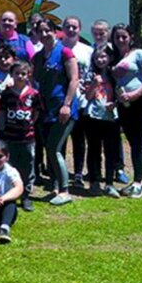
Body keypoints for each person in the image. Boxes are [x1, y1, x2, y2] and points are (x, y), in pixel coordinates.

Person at [110, 23, 142, 199]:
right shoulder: (114, 56)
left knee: (139, 143)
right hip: (125, 106)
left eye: (124, 36)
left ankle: (138, 182)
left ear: (131, 37)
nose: (121, 40)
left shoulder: (140, 54)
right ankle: (137, 180)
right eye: (117, 37)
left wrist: (136, 94)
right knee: (132, 143)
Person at [31, 18, 79, 206]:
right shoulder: (38, 57)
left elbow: (74, 80)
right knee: (51, 149)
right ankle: (56, 186)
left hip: (63, 109)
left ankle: (65, 190)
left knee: (53, 148)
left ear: (54, 31)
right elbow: (35, 82)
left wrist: (66, 105)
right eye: (40, 31)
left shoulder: (65, 53)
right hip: (45, 110)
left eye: (47, 31)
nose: (43, 35)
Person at [0, 60, 40, 211]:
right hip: (9, 137)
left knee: (27, 166)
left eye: (23, 74)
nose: (20, 77)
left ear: (28, 75)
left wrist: (29, 125)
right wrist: (2, 132)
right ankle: (10, 194)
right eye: (17, 74)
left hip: (27, 138)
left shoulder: (34, 94)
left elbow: (36, 113)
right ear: (11, 75)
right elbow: (1, 113)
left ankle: (26, 195)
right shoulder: (6, 94)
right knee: (10, 166)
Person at [83, 45, 122, 198]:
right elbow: (86, 97)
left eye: (104, 57)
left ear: (110, 58)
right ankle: (94, 181)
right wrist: (94, 84)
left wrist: (115, 103)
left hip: (111, 117)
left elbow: (120, 93)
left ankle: (110, 183)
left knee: (110, 150)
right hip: (92, 116)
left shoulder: (114, 75)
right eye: (98, 57)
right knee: (94, 150)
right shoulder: (90, 74)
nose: (101, 60)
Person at [60, 16, 93, 187]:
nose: (71, 30)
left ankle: (78, 173)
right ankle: (61, 172)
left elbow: (92, 73)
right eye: (68, 26)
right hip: (61, 99)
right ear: (63, 28)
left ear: (80, 29)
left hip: (80, 101)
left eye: (74, 27)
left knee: (79, 139)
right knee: (61, 140)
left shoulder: (87, 50)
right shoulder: (58, 48)